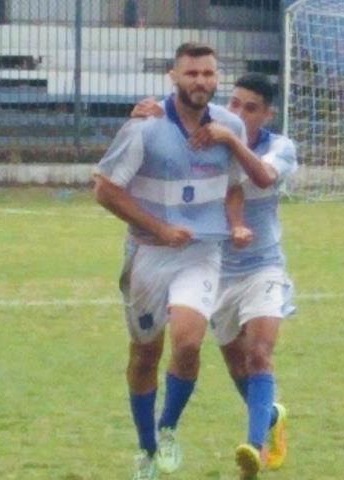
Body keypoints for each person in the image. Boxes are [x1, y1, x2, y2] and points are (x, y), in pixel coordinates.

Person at [93, 42, 253, 480]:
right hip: (148, 253)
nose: (201, 81)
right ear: (174, 77)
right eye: (192, 73)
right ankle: (146, 449)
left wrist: (235, 222)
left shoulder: (230, 125)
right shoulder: (145, 125)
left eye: (208, 74)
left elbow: (236, 184)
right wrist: (159, 229)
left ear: (217, 78)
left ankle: (167, 428)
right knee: (145, 355)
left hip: (202, 251)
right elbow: (105, 189)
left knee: (187, 341)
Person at [132, 73, 298, 479]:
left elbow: (261, 177)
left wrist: (230, 139)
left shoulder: (279, 147)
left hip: (262, 267)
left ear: (268, 114)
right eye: (235, 103)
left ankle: (253, 448)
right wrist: (148, 117)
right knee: (234, 367)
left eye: (251, 107)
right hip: (214, 268)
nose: (238, 112)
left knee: (260, 354)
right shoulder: (204, 138)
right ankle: (271, 416)